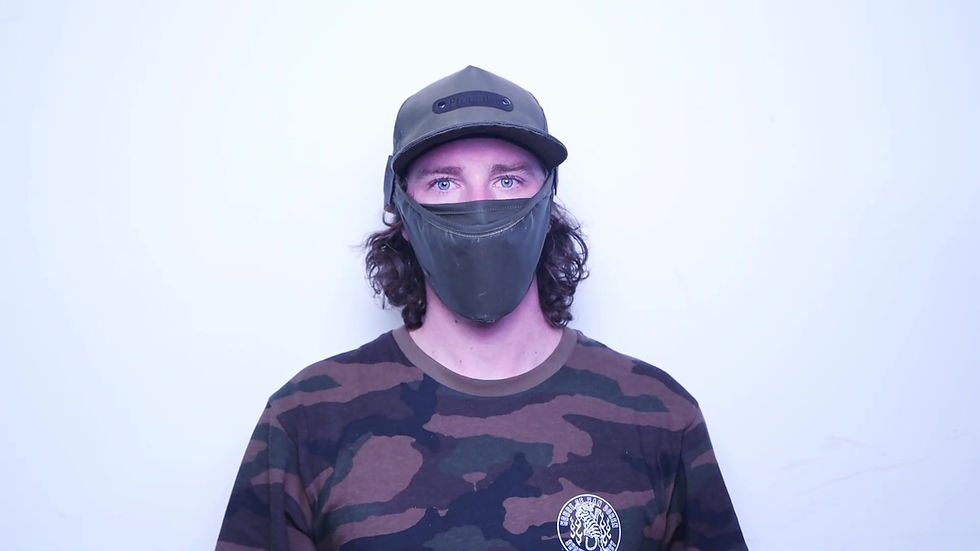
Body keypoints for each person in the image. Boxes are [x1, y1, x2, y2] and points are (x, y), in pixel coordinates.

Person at [216, 66, 747, 551]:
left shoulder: (656, 414)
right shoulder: (307, 418)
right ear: (402, 211)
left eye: (508, 180)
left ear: (548, 201)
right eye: (444, 183)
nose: (480, 205)